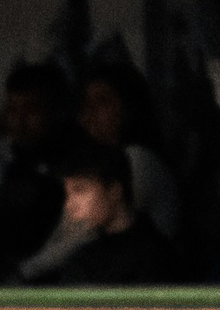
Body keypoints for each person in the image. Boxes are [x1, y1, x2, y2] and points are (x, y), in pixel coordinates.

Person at [15, 140, 177, 285]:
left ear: (114, 191)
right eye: (68, 194)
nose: (70, 205)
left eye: (80, 190)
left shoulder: (156, 259)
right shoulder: (83, 259)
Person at [0, 62, 70, 281]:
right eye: (13, 109)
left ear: (55, 112)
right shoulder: (4, 160)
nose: (19, 121)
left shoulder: (71, 166)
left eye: (31, 110)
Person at [73, 62, 180, 244]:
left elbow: (84, 235)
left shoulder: (138, 159)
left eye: (102, 101)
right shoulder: (103, 164)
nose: (89, 112)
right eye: (85, 103)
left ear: (128, 107)